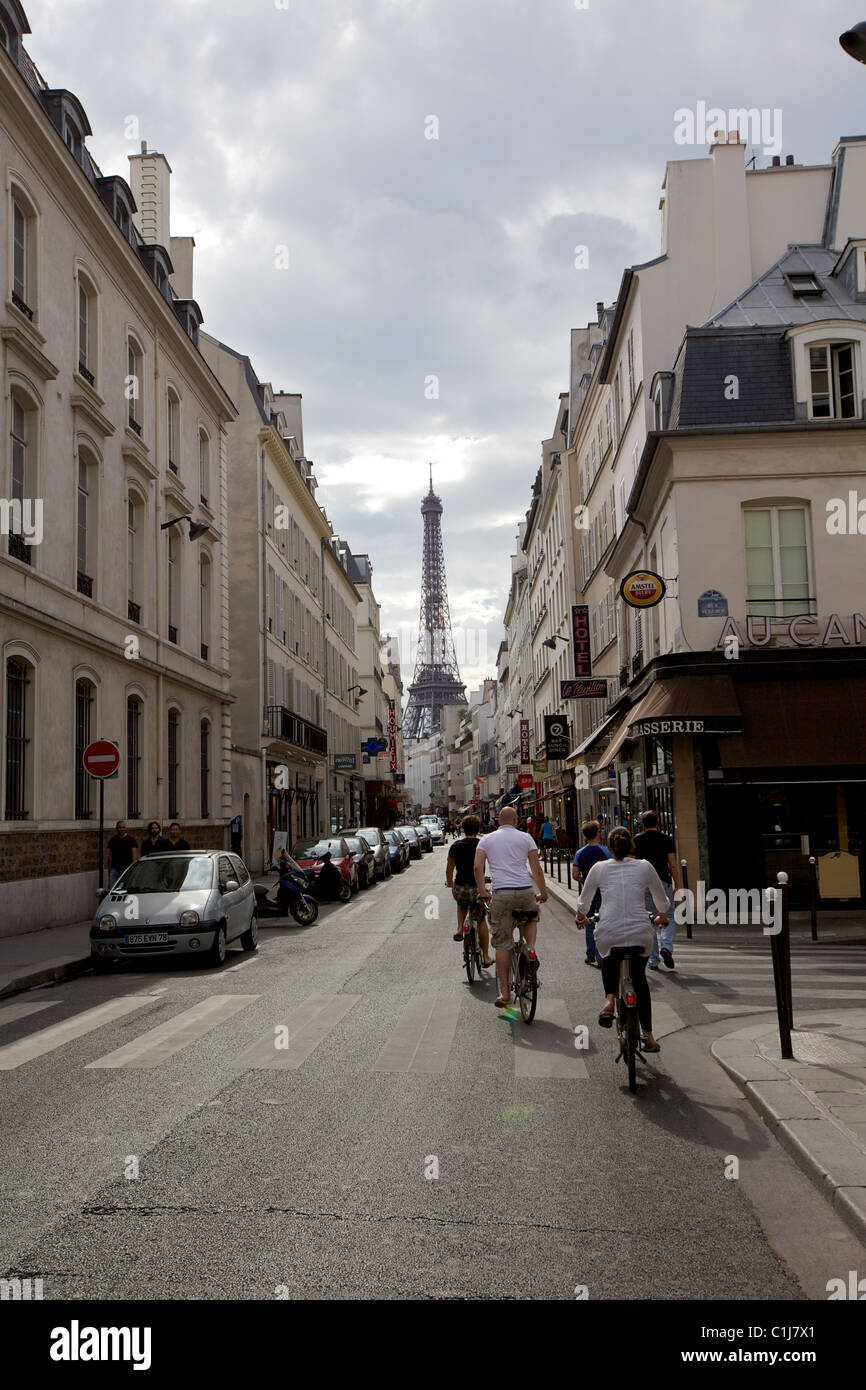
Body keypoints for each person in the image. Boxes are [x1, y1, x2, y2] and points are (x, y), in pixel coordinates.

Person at [575, 825, 669, 1052]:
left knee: (608, 958)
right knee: (639, 979)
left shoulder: (599, 868)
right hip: (640, 932)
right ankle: (649, 1036)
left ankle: (609, 1000)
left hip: (609, 930)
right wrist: (662, 917)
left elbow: (583, 902)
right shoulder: (644, 866)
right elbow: (661, 900)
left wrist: (581, 918)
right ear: (631, 846)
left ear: (609, 847)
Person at [474, 806, 548, 1009]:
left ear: (498, 820)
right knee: (531, 918)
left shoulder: (486, 840)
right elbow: (536, 868)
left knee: (502, 945)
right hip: (525, 891)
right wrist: (543, 892)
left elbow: (478, 867)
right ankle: (530, 949)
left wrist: (482, 891)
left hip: (502, 893)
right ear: (516, 820)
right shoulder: (526, 838)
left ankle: (505, 993)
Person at [445, 815, 494, 967]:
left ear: (463, 828)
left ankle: (460, 929)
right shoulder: (482, 845)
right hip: (477, 888)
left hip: (460, 887)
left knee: (461, 903)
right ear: (478, 828)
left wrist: (450, 882)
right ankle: (486, 956)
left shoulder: (456, 846)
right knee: (480, 920)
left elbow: (449, 867)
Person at [633, 810, 679, 970]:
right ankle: (666, 946)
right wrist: (678, 884)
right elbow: (672, 863)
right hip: (663, 881)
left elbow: (632, 863)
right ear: (657, 822)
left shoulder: (637, 840)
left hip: (644, 883)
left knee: (649, 919)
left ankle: (653, 960)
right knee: (669, 914)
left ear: (643, 823)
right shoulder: (666, 839)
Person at [573, 820, 610, 967]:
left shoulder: (580, 852)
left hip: (588, 892)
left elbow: (575, 874)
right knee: (601, 922)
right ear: (597, 834)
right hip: (604, 891)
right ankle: (601, 956)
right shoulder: (605, 851)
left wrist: (584, 880)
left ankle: (590, 953)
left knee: (588, 923)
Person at [106, 820, 138, 888]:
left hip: (126, 869)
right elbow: (110, 856)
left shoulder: (131, 840)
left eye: (123, 827)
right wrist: (109, 870)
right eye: (120, 827)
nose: (121, 829)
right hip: (115, 869)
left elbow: (134, 856)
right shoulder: (113, 840)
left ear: (125, 828)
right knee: (112, 887)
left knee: (123, 887)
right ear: (117, 828)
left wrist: (133, 869)